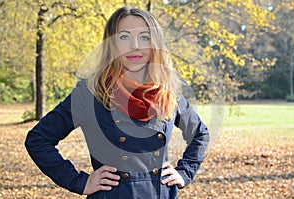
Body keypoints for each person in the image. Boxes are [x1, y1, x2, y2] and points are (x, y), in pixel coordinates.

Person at [25, 7, 209, 199]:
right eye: (124, 37)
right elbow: (38, 140)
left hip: (161, 194)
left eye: (144, 37)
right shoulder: (91, 93)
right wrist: (79, 181)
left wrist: (185, 172)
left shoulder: (168, 91)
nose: (135, 46)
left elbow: (200, 134)